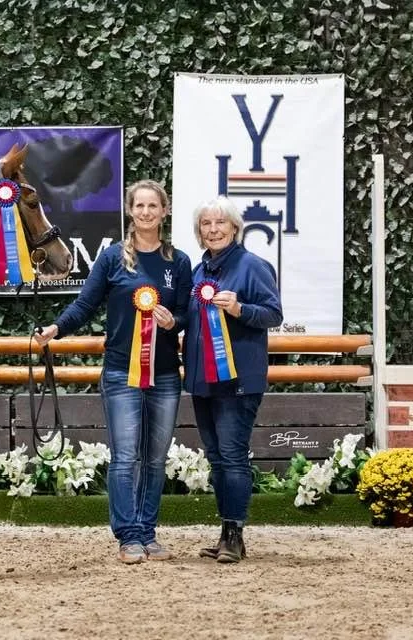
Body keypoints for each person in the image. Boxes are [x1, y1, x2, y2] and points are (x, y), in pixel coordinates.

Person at [35, 180, 192, 564]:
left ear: (164, 211)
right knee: (126, 457)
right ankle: (128, 536)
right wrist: (57, 328)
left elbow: (189, 311)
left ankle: (148, 532)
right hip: (121, 373)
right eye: (139, 205)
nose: (146, 212)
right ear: (129, 211)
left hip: (167, 376)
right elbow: (86, 304)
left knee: (155, 458)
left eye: (153, 205)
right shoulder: (111, 260)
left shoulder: (179, 262)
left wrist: (175, 322)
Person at [182, 196, 283, 563]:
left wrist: (240, 309)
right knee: (217, 458)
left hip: (239, 378)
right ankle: (226, 532)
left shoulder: (253, 267)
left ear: (235, 228)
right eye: (206, 224)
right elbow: (189, 319)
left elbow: (273, 314)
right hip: (202, 380)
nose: (213, 229)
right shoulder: (197, 272)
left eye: (220, 223)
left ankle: (235, 535)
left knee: (232, 455)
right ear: (199, 232)